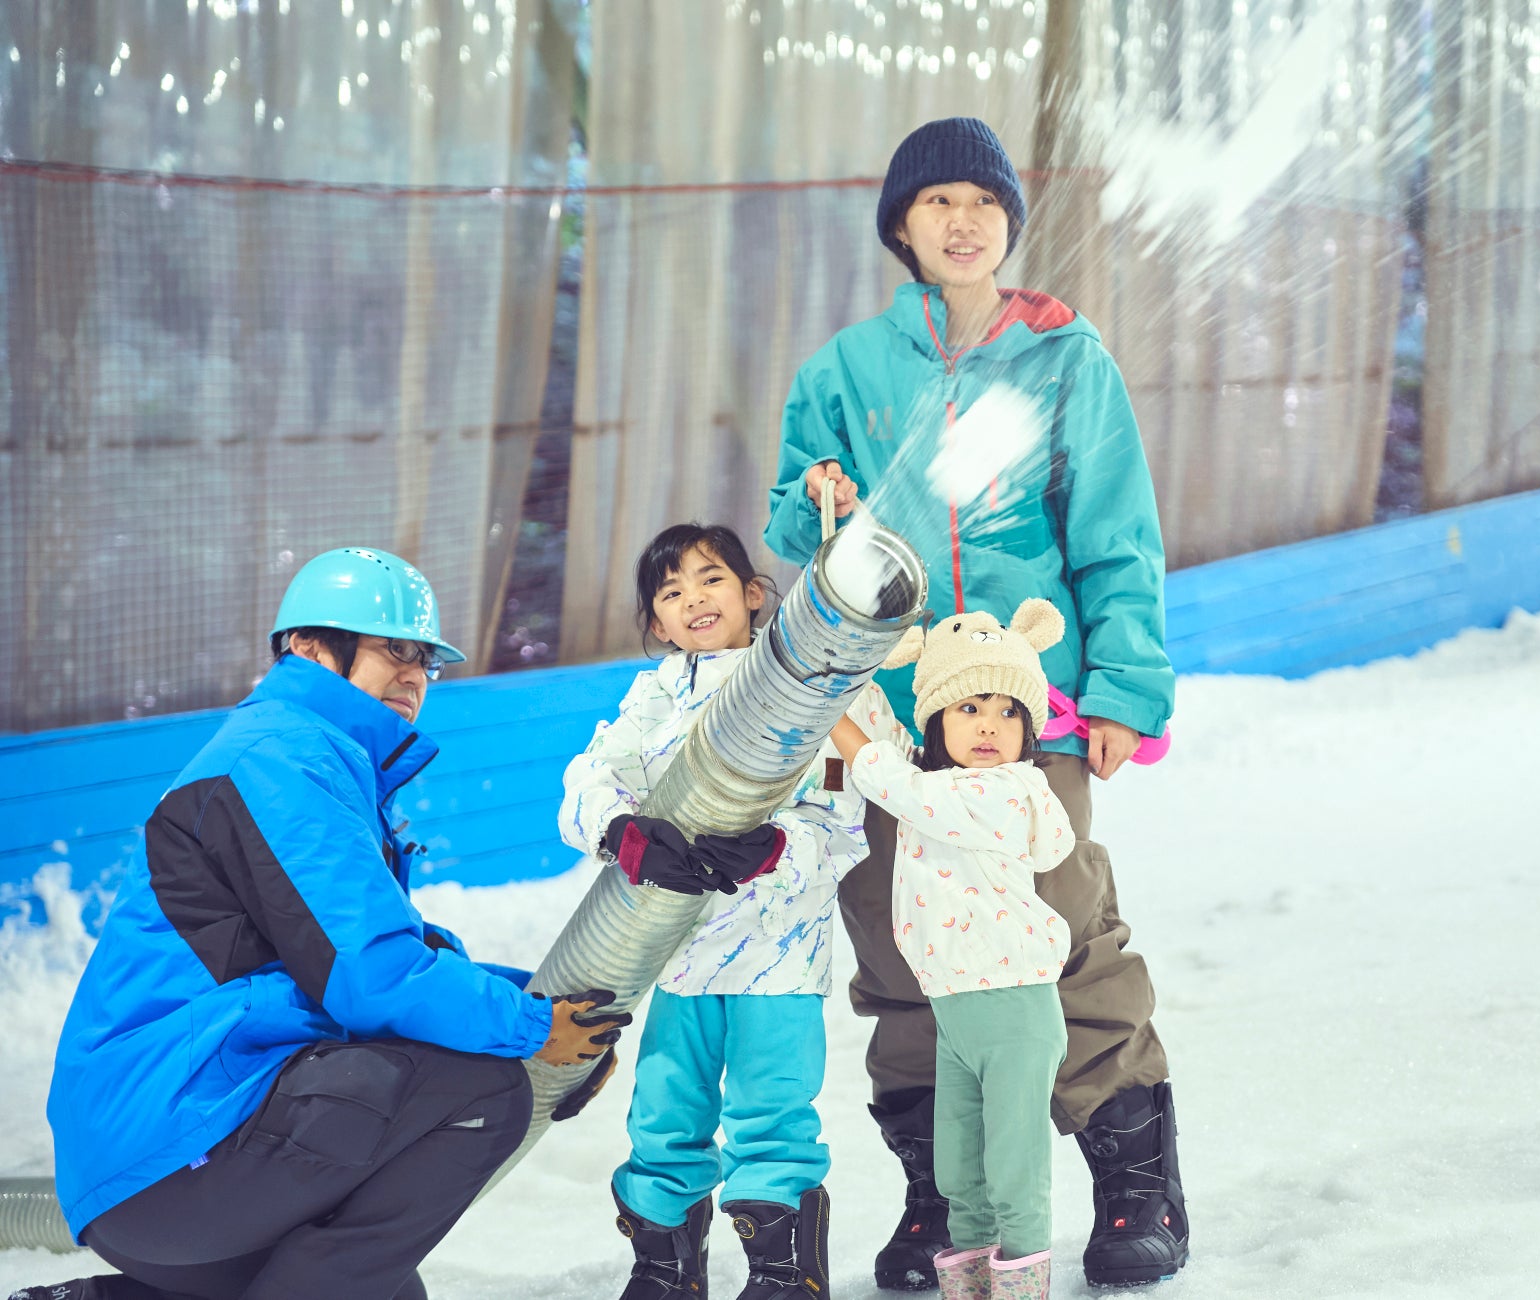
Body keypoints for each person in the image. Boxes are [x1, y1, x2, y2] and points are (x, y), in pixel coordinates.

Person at [764, 116, 1189, 1289]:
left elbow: (1116, 530)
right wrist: (815, 494)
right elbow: (792, 521)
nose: (964, 222)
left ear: (1010, 223)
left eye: (985, 203)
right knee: (903, 941)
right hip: (889, 714)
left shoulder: (1064, 357)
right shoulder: (845, 370)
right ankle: (942, 1197)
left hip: (1022, 708)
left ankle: (1135, 1180)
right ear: (901, 226)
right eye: (938, 202)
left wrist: (1124, 684)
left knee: (1061, 926)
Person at [16, 547, 628, 1300]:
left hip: (172, 1155)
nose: (415, 676)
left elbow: (390, 957)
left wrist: (540, 1009)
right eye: (395, 650)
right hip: (173, 1145)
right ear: (309, 648)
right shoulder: (281, 761)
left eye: (427, 661)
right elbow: (372, 978)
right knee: (485, 1088)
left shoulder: (306, 757)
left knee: (385, 1291)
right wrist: (530, 1029)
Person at [558, 523, 901, 1300]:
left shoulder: (813, 683)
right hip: (678, 954)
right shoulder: (654, 696)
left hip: (777, 956)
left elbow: (846, 812)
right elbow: (590, 778)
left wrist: (776, 847)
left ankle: (784, 1272)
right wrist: (623, 832)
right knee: (664, 1111)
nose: (693, 599)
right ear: (656, 622)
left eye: (709, 578)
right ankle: (664, 1265)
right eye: (670, 591)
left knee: (770, 1110)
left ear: (752, 594)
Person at [829, 599, 1075, 1300]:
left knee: (1013, 1168)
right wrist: (844, 675)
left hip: (1014, 1008)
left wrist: (833, 716)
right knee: (961, 1173)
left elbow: (890, 778)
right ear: (936, 719)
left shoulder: (1007, 790)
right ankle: (969, 1287)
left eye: (1007, 711)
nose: (989, 726)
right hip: (957, 1010)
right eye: (969, 708)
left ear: (1029, 728)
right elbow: (888, 744)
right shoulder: (939, 784)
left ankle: (1022, 1285)